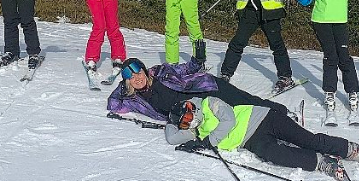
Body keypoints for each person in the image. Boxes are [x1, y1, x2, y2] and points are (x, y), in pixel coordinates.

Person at [163, 97, 359, 180]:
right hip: (250, 141)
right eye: (185, 123)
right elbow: (172, 139)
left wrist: (208, 141)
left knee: (308, 140)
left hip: (264, 118)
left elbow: (229, 120)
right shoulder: (197, 130)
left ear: (191, 106)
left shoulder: (209, 103)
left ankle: (351, 149)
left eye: (188, 117)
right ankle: (320, 162)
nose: (190, 122)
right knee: (276, 155)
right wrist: (171, 122)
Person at [291, 0, 359, 122]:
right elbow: (306, 0)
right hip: (321, 21)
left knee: (344, 57)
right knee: (330, 57)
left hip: (340, 21)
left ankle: (352, 92)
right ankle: (330, 93)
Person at [107, 56, 290, 123]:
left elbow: (184, 69)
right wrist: (123, 85)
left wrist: (196, 61)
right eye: (132, 78)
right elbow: (112, 104)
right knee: (241, 116)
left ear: (145, 71)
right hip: (199, 110)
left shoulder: (160, 72)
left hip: (207, 89)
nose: (137, 79)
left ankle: (283, 113)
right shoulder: (134, 100)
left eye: (139, 73)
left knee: (245, 101)